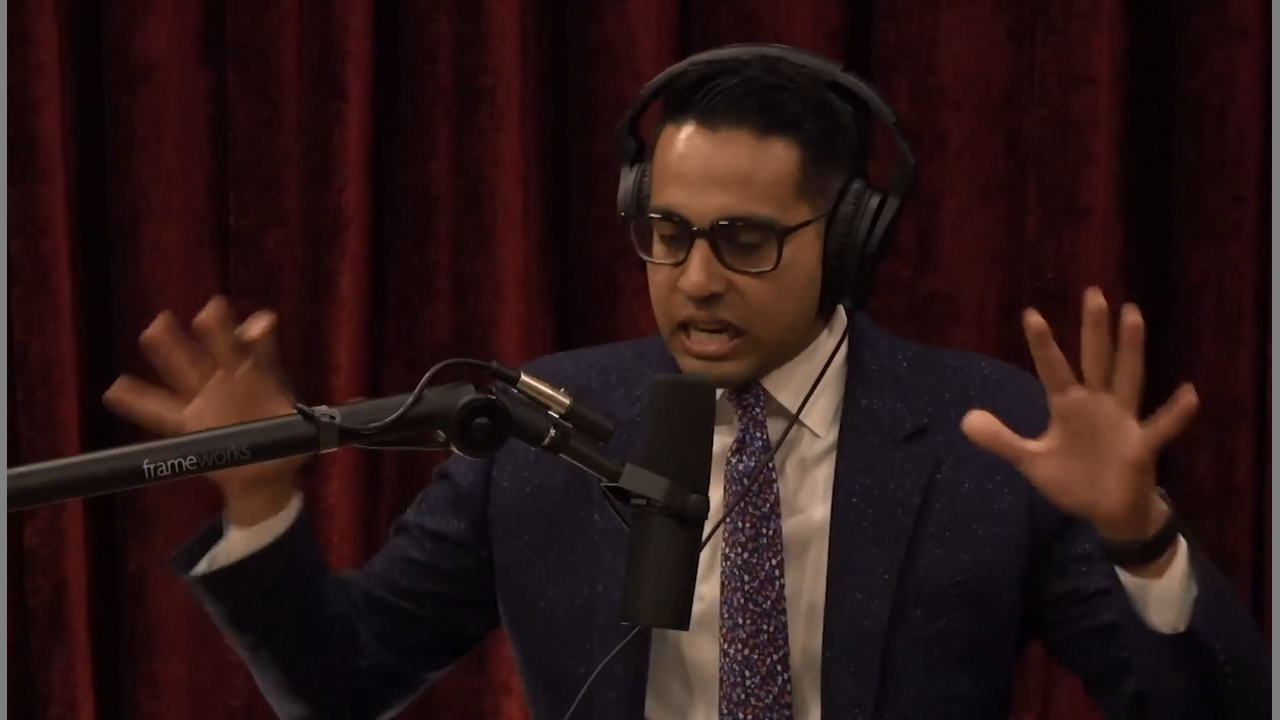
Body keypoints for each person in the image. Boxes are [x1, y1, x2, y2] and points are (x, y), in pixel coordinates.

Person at [103, 46, 1270, 720]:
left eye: (743, 240)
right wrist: (263, 509)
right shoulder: (541, 427)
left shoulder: (984, 435)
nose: (695, 280)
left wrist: (1141, 541)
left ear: (846, 241)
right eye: (664, 233)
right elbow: (343, 683)